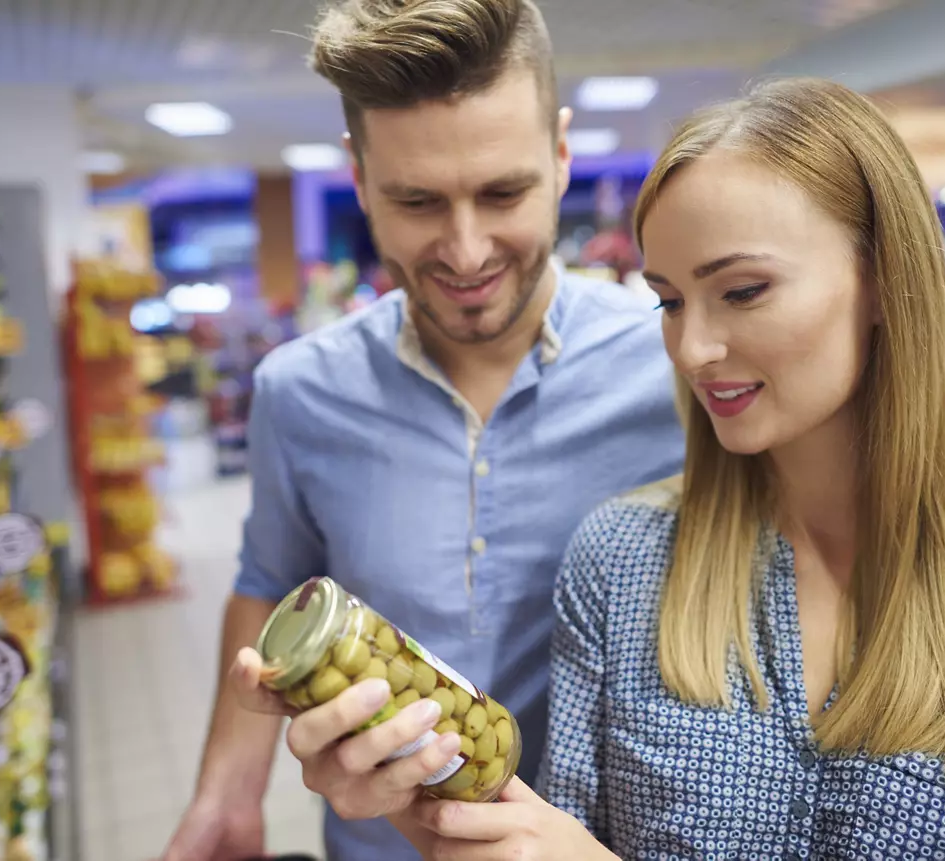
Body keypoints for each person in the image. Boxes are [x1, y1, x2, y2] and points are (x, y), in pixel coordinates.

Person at [395, 77, 945, 859]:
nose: (693, 349)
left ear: (882, 278)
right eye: (669, 301)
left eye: (742, 291)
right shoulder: (620, 563)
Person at [161, 1, 685, 859]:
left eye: (503, 192)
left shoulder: (680, 371)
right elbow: (270, 580)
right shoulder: (297, 392)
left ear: (559, 155)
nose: (468, 250)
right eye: (417, 201)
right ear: (359, 180)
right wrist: (228, 789)